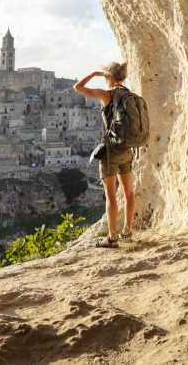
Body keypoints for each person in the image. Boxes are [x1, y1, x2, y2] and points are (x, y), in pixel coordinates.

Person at [74, 62, 136, 248]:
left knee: (111, 195)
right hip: (127, 149)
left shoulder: (107, 95)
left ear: (109, 77)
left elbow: (77, 87)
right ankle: (128, 231)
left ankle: (112, 237)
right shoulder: (129, 95)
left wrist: (93, 73)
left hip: (110, 152)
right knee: (129, 192)